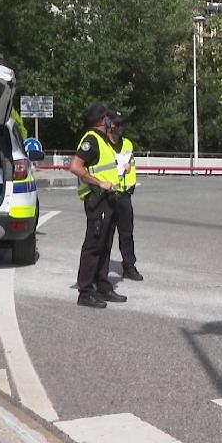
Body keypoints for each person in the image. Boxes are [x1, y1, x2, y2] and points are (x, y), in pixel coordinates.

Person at [69, 103, 131, 308]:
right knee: (93, 246)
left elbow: (105, 167)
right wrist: (99, 183)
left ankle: (103, 286)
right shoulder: (91, 140)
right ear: (104, 119)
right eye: (109, 117)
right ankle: (85, 292)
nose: (112, 120)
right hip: (98, 200)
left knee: (105, 245)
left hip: (109, 199)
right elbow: (75, 167)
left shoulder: (105, 142)